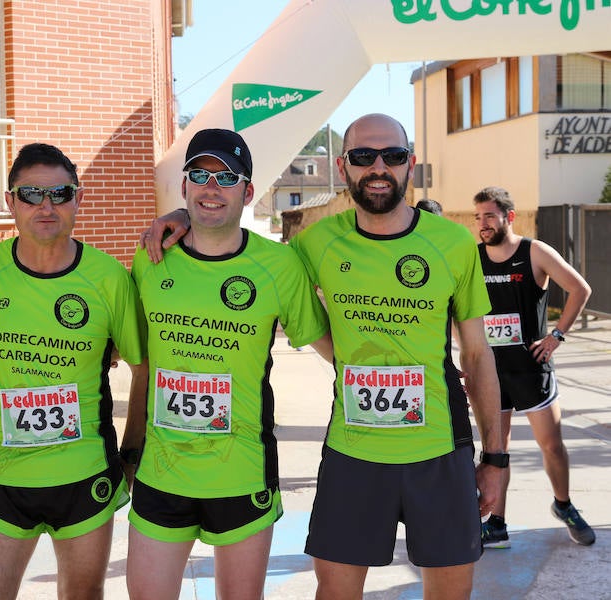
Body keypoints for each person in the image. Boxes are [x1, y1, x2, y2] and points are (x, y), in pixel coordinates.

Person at [143, 114, 504, 600]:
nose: (378, 167)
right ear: (343, 166)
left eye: (392, 156)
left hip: (440, 451)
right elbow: (239, 246)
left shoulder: (454, 244)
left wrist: (497, 456)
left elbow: (479, 357)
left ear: (410, 164)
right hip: (352, 454)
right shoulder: (313, 244)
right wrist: (188, 215)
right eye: (362, 156)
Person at [122, 128, 333, 600]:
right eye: (200, 175)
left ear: (248, 191)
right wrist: (130, 450)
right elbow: (142, 361)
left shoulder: (279, 266)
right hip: (163, 471)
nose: (211, 187)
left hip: (242, 472)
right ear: (185, 187)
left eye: (227, 177)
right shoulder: (152, 256)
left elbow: (333, 348)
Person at [0, 143, 144, 599]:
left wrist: (131, 452)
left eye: (61, 193)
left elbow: (141, 365)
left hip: (84, 474)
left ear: (79, 198)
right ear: (11, 202)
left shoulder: (108, 277)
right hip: (3, 476)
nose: (46, 206)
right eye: (31, 194)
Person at [474, 186, 595, 548]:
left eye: (489, 216)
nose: (482, 224)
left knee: (552, 445)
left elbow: (580, 288)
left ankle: (564, 504)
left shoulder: (535, 252)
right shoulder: (471, 257)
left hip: (531, 368)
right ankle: (497, 523)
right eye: (478, 216)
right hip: (492, 372)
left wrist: (557, 335)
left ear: (509, 217)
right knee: (497, 450)